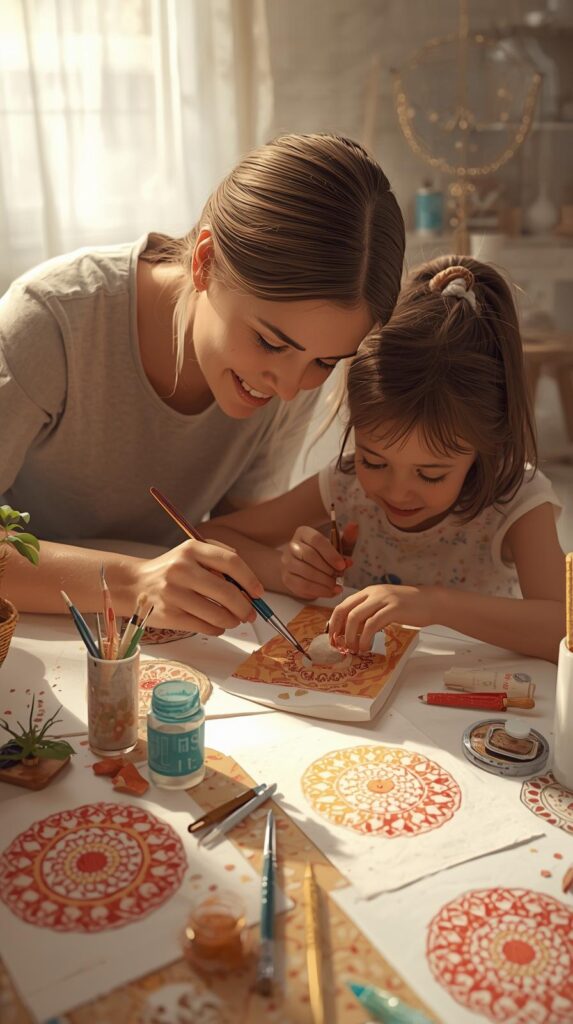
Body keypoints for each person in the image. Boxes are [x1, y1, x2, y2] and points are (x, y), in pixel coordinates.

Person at [0, 132, 405, 635]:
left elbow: (226, 533)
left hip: (150, 643)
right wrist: (135, 583)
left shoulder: (291, 374)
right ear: (205, 262)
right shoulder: (50, 321)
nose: (286, 388)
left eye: (324, 362)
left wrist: (280, 564)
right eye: (269, 342)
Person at [206, 256, 566, 663]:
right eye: (374, 461)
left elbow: (564, 628)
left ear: (485, 447)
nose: (395, 491)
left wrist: (432, 605)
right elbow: (212, 536)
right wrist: (282, 570)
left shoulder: (515, 500)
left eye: (430, 475)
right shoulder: (346, 484)